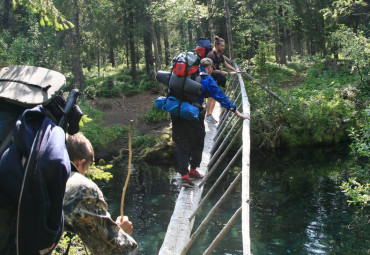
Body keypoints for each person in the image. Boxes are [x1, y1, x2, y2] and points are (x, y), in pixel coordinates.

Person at [171, 58, 249, 188]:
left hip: (176, 112)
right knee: (198, 140)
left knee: (181, 143)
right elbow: (219, 95)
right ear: (210, 68)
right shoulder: (207, 78)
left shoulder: (180, 76)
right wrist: (235, 110)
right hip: (193, 114)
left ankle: (184, 176)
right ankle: (193, 170)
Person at [63, 132, 137, 254]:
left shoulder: (44, 175)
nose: (84, 174)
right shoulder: (81, 188)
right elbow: (114, 251)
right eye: (86, 169)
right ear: (79, 163)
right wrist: (120, 232)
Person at [205, 36, 239, 124]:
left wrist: (235, 70)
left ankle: (210, 115)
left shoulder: (220, 55)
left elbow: (226, 64)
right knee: (211, 96)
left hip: (215, 77)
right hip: (208, 77)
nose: (223, 48)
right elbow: (208, 70)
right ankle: (208, 116)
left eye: (224, 46)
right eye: (222, 46)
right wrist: (220, 72)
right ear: (216, 46)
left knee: (214, 97)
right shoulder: (211, 55)